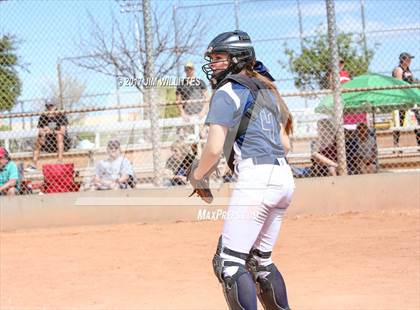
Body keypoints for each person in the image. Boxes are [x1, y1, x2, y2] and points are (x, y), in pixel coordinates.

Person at [190, 30, 294, 309]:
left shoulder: (227, 91)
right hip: (283, 178)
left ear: (238, 59)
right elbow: (285, 144)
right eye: (211, 58)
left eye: (219, 58)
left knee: (229, 262)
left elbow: (213, 149)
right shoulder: (265, 89)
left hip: (257, 180)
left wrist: (197, 175)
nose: (213, 64)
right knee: (260, 262)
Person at [26, 99, 71, 171]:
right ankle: (33, 164)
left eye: (51, 105)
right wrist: (43, 133)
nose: (49, 107)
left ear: (55, 106)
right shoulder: (43, 116)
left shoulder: (61, 115)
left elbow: (63, 131)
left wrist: (49, 131)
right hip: (48, 144)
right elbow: (40, 131)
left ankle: (60, 161)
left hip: (63, 144)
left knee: (59, 136)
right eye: (47, 106)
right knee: (39, 137)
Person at [392, 52, 417, 148]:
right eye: (407, 59)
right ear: (403, 60)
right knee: (399, 122)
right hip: (401, 100)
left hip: (411, 99)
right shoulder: (398, 69)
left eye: (410, 59)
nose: (409, 61)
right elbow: (398, 84)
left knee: (416, 120)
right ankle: (396, 144)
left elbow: (412, 83)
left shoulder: (409, 71)